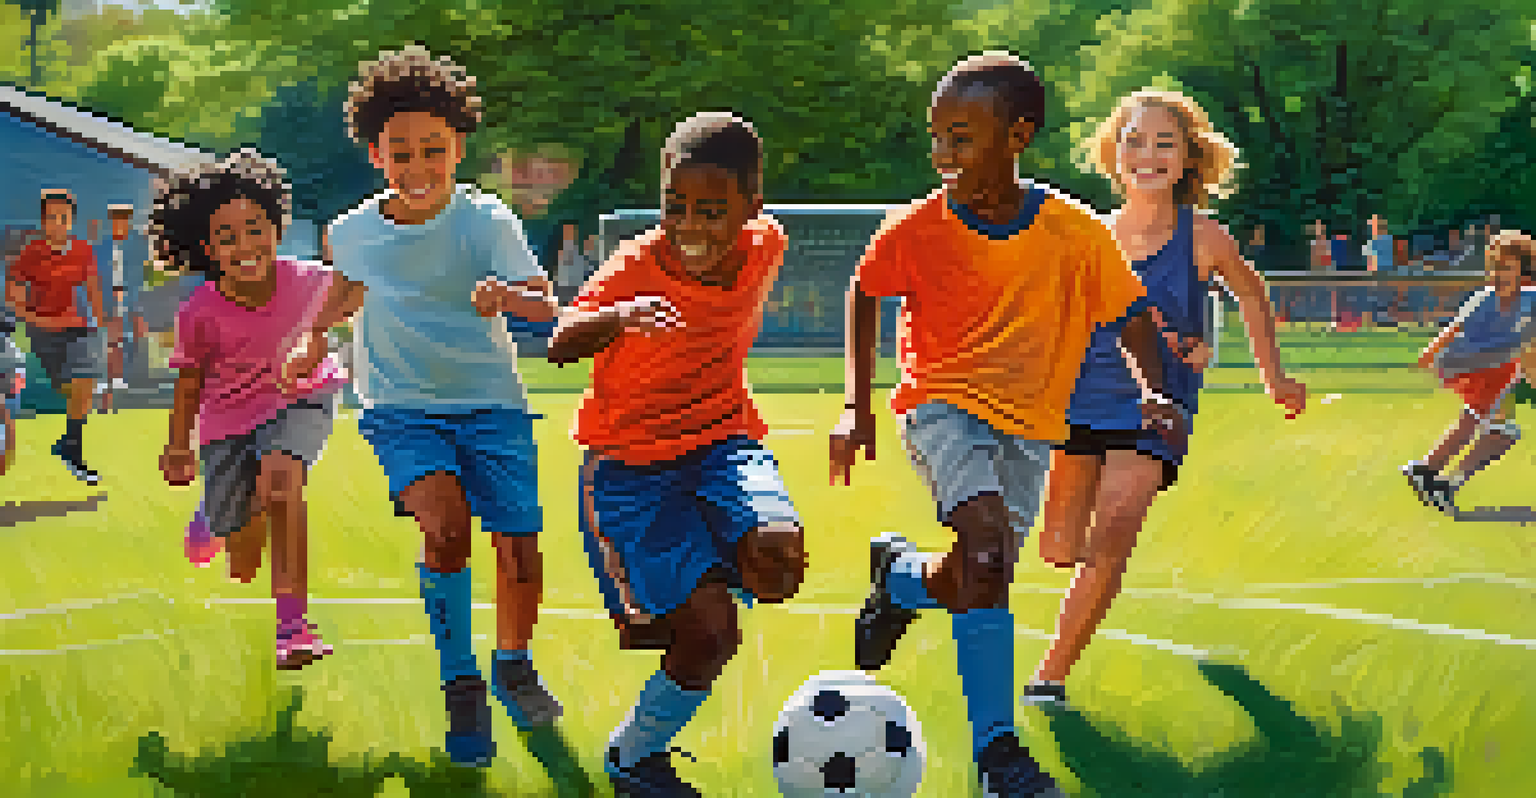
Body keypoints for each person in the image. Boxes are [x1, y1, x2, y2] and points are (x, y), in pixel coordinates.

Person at [829, 52, 1185, 798]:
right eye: (938, 138)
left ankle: (899, 579)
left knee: (977, 572)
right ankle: (999, 757)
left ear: (1017, 135)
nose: (943, 155)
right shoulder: (918, 227)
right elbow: (866, 293)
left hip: (1030, 428)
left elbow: (1130, 316)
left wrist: (1155, 391)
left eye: (961, 137)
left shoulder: (1074, 233)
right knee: (988, 543)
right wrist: (856, 405)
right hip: (941, 404)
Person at [328, 45, 578, 777]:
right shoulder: (353, 233)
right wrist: (310, 339)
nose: (417, 166)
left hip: (494, 407)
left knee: (520, 554)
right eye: (400, 152)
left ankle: (513, 665)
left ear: (457, 148)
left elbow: (545, 301)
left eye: (432, 150)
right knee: (445, 525)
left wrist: (505, 297)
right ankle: (460, 681)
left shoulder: (485, 221)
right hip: (401, 408)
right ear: (376, 154)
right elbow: (346, 291)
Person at [548, 111, 808, 797]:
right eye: (676, 207)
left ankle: (714, 576)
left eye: (711, 211)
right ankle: (635, 757)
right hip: (632, 469)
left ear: (753, 209)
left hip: (725, 445)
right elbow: (560, 339)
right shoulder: (636, 264)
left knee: (781, 559)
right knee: (708, 636)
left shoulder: (766, 245)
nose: (690, 226)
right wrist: (621, 316)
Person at [1030, 89, 1307, 708]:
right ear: (1113, 153)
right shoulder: (1088, 236)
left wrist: (1274, 377)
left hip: (1155, 411)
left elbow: (1252, 297)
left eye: (1165, 143)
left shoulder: (1204, 237)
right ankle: (1074, 603)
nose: (1148, 154)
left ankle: (1049, 676)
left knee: (1115, 531)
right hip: (1079, 406)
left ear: (1188, 158)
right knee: (1060, 550)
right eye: (1135, 140)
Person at [153, 149, 365, 669]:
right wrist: (178, 445)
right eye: (227, 237)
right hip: (227, 420)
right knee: (242, 563)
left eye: (255, 228)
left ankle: (292, 626)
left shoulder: (311, 280)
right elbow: (189, 382)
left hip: (303, 397)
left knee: (281, 480)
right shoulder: (200, 309)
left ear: (276, 226)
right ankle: (214, 512)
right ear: (206, 247)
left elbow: (359, 289)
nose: (245, 245)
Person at [1404, 230, 1536, 513]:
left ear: (1521, 270)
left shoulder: (1528, 299)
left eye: (1506, 267)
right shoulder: (1485, 297)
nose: (1499, 273)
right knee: (1476, 418)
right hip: (1481, 367)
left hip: (1494, 370)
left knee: (1502, 432)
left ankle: (1444, 483)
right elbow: (1456, 327)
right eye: (1495, 266)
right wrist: (1430, 350)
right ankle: (1427, 469)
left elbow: (1529, 341)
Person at [5, 190, 105, 484]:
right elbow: (12, 297)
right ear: (43, 221)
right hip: (42, 331)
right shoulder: (31, 252)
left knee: (84, 383)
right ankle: (66, 443)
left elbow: (93, 288)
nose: (58, 223)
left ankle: (72, 448)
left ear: (72, 221)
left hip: (77, 328)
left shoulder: (83, 250)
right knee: (70, 391)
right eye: (52, 217)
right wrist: (36, 318)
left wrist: (100, 324)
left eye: (63, 217)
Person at [95, 203, 150, 413]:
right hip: (109, 300)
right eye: (116, 219)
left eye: (124, 219)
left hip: (132, 299)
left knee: (132, 339)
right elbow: (98, 273)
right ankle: (109, 383)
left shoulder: (138, 243)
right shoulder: (103, 246)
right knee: (112, 341)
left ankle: (123, 380)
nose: (120, 224)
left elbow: (145, 269)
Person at [1, 302, 22, 477]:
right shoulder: (14, 350)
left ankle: (6, 460)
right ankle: (6, 461)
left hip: (8, 387)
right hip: (10, 390)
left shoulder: (11, 350)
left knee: (7, 421)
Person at [554, 221, 591, 307]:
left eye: (571, 230)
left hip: (575, 287)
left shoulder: (577, 250)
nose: (570, 233)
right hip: (564, 288)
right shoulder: (561, 251)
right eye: (567, 231)